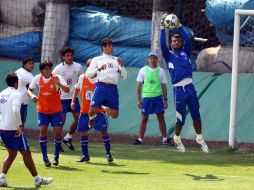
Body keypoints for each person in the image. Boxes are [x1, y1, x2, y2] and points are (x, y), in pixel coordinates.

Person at [160, 14, 209, 153]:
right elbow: (162, 43)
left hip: (190, 87)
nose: (176, 42)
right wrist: (162, 28)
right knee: (180, 120)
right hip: (178, 90)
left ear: (180, 43)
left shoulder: (185, 53)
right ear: (171, 43)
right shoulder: (168, 54)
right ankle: (177, 137)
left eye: (178, 41)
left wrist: (179, 25)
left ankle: (199, 138)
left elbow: (187, 38)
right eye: (173, 41)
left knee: (196, 115)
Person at [0, 73, 53, 187]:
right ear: (16, 83)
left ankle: (2, 178)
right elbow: (15, 110)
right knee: (27, 153)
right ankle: (37, 179)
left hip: (3, 129)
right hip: (14, 130)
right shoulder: (17, 94)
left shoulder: (1, 94)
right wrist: (19, 125)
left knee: (12, 153)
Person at [27, 61, 70, 167]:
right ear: (42, 70)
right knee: (43, 131)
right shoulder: (37, 78)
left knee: (58, 132)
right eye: (46, 69)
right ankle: (45, 158)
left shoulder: (57, 78)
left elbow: (67, 90)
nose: (49, 70)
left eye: (50, 68)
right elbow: (29, 90)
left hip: (56, 111)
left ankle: (56, 156)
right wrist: (32, 96)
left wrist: (58, 83)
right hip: (42, 110)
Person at [71, 58, 113, 162]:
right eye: (90, 66)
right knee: (83, 133)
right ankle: (85, 156)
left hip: (98, 112)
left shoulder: (101, 79)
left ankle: (108, 154)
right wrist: (73, 101)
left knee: (103, 132)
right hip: (85, 112)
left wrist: (106, 106)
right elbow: (77, 88)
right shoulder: (82, 77)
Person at [133, 51, 174, 146]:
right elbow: (138, 86)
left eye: (154, 58)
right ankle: (140, 139)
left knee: (161, 117)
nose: (152, 60)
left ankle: (164, 139)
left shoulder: (161, 71)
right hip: (146, 98)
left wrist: (165, 100)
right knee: (144, 119)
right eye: (151, 58)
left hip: (158, 98)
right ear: (148, 60)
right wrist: (139, 99)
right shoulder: (143, 70)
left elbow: (164, 86)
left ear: (157, 59)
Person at [85, 38, 127, 127]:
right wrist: (98, 69)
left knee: (115, 115)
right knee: (91, 111)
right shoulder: (97, 59)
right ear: (103, 47)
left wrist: (122, 66)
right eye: (109, 46)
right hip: (101, 86)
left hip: (112, 88)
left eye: (112, 46)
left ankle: (104, 108)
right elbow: (87, 74)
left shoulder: (116, 60)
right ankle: (91, 119)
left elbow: (124, 76)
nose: (112, 48)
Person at [53, 47, 83, 151]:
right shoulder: (58, 69)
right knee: (61, 121)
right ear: (63, 57)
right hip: (61, 99)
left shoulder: (78, 67)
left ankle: (68, 137)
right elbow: (53, 82)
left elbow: (80, 82)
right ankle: (57, 142)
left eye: (71, 55)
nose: (70, 57)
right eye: (67, 55)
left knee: (79, 119)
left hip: (73, 98)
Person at [15, 57, 35, 130]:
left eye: (32, 63)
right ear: (24, 64)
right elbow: (39, 84)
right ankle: (20, 141)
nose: (31, 65)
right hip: (21, 104)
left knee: (14, 125)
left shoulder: (19, 71)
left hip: (15, 101)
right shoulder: (28, 75)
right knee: (21, 127)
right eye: (29, 63)